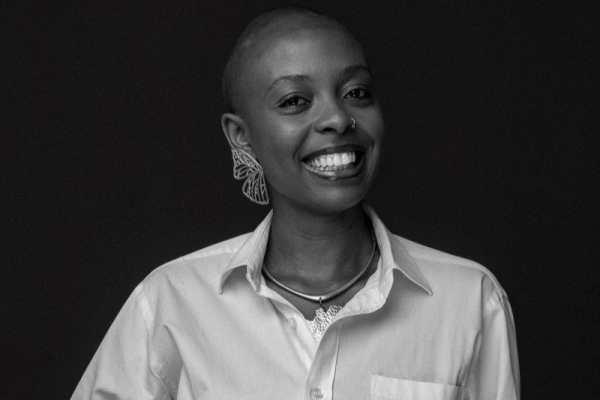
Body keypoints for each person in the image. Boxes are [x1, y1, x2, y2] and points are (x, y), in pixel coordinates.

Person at [72, 6, 519, 400]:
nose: (338, 118)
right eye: (294, 101)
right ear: (241, 136)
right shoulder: (171, 303)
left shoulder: (469, 300)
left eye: (356, 92)